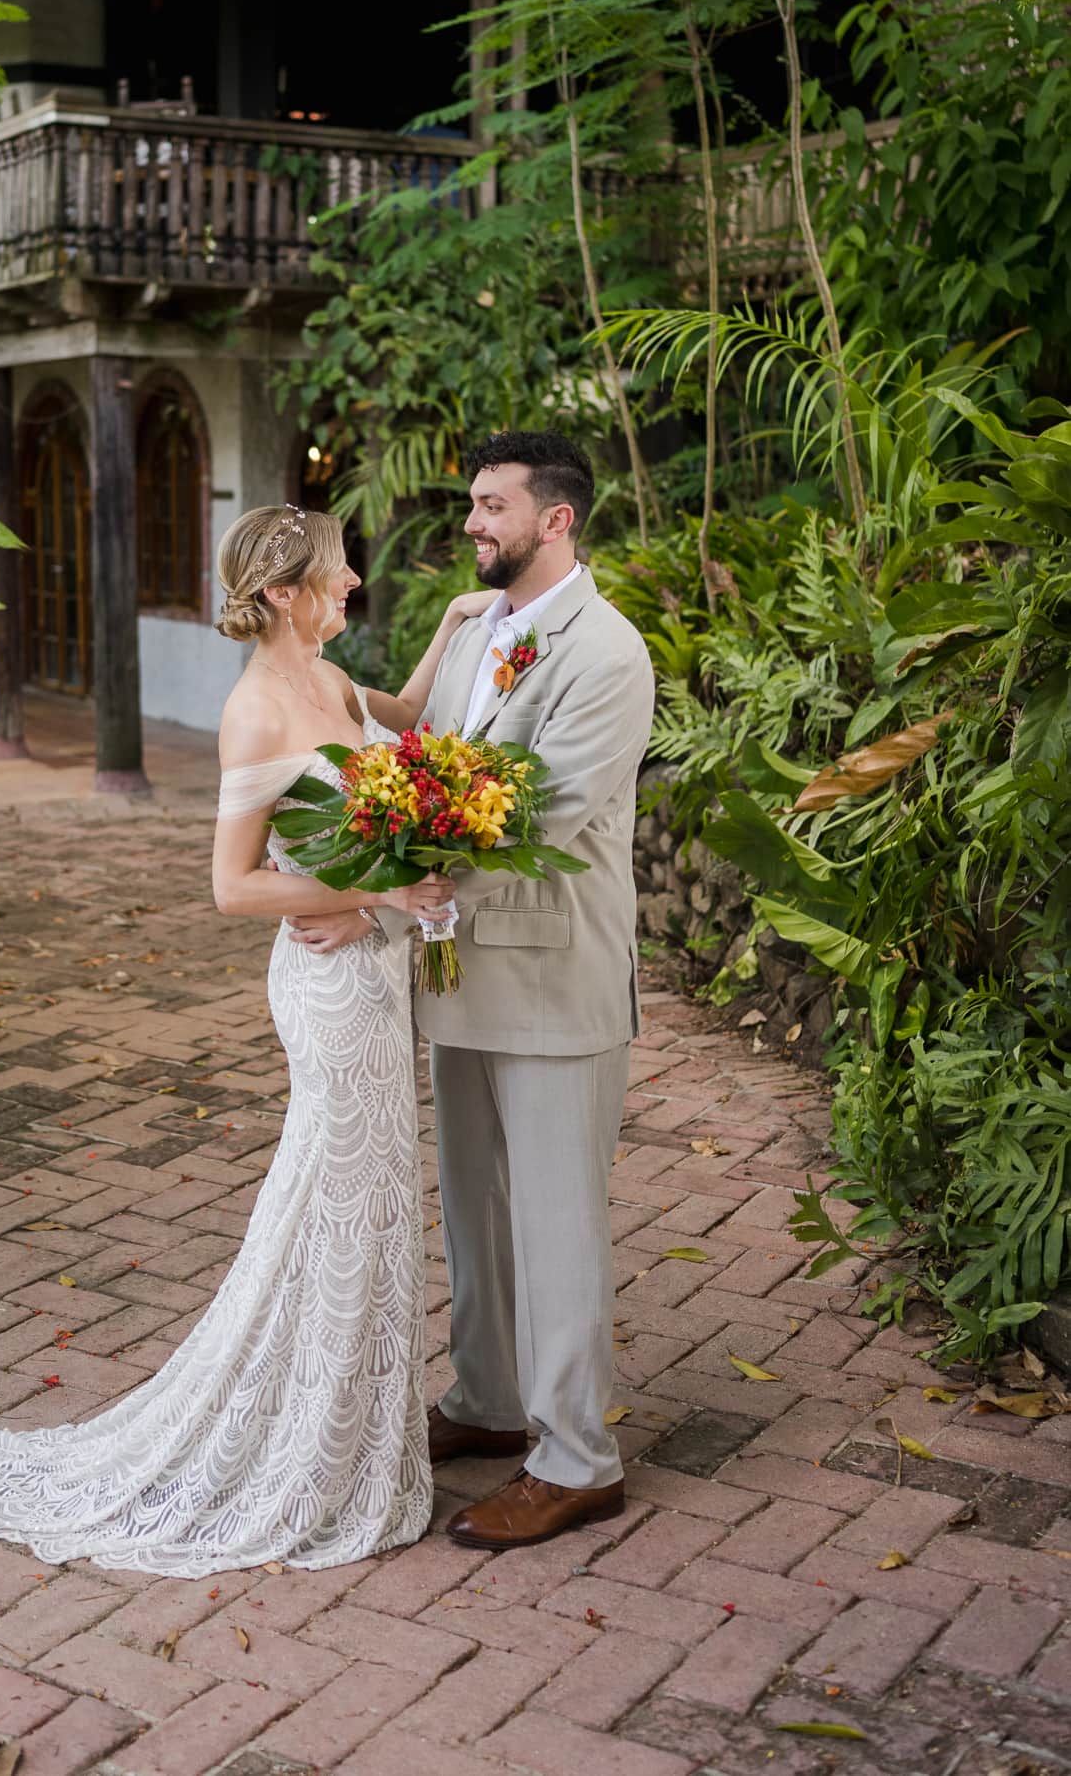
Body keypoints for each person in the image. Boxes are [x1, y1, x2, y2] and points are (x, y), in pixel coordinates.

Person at [0, 502, 490, 1575]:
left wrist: (462, 618)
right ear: (282, 592)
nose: (353, 587)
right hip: (329, 988)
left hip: (373, 966)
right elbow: (233, 884)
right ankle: (302, 1451)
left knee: (371, 1203)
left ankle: (348, 1435)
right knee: (335, 1203)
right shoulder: (252, 713)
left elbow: (412, 715)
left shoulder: (329, 681)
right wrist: (369, 886)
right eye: (335, 575)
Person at [412, 429, 655, 1550]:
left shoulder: (606, 655)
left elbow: (534, 808)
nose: (473, 522)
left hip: (553, 973)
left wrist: (374, 862)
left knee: (556, 1221)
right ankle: (489, 1401)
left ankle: (577, 1460)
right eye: (473, 503)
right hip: (462, 961)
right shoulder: (482, 630)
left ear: (555, 519)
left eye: (491, 505)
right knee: (475, 1203)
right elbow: (426, 749)